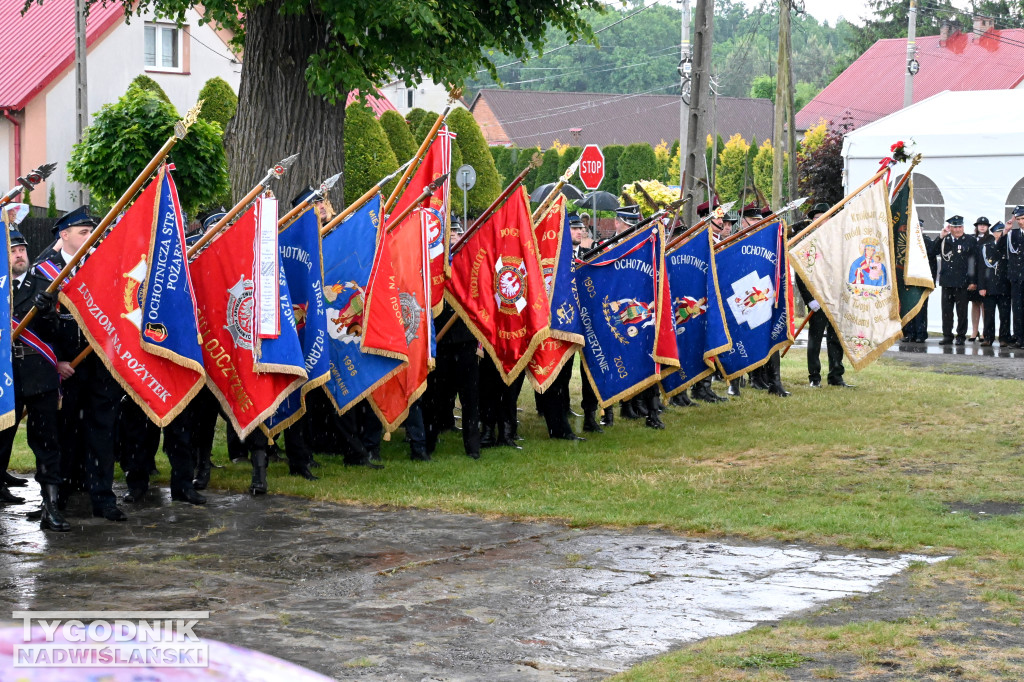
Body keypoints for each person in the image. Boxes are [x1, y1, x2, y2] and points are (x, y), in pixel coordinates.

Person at [36, 206, 129, 521]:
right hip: (65, 366)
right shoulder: (44, 272)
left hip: (101, 362)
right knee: (65, 432)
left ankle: (103, 498)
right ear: (64, 235)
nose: (90, 237)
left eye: (92, 232)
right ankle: (57, 498)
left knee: (102, 430)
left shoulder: (102, 266)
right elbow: (37, 324)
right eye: (83, 232)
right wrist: (58, 358)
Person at [0, 228, 69, 531]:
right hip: (5, 377)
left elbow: (57, 336)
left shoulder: (44, 284)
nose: (19, 255)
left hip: (38, 373)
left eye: (22, 249)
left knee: (45, 442)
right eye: (12, 250)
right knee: (1, 441)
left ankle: (50, 506)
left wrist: (48, 314)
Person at [795, 203, 850, 388]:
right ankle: (814, 377)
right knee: (815, 340)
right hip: (817, 299)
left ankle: (836, 375)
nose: (819, 221)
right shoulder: (807, 242)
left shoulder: (839, 242)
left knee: (835, 338)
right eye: (816, 217)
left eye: (823, 217)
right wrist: (809, 299)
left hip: (836, 298)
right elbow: (800, 273)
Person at [931, 215, 977, 345]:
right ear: (950, 228)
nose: (958, 229)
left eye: (960, 227)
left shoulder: (970, 240)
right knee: (946, 311)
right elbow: (932, 251)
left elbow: (973, 262)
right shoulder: (945, 240)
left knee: (961, 311)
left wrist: (973, 281)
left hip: (962, 282)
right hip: (947, 281)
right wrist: (940, 236)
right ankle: (947, 335)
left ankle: (961, 335)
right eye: (955, 227)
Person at [977, 220, 1008, 347]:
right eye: (997, 231)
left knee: (1005, 315)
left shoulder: (1008, 246)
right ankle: (988, 337)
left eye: (1002, 231)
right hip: (989, 286)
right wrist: (982, 286)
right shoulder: (986, 248)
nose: (1000, 234)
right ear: (993, 233)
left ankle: (1004, 338)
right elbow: (981, 268)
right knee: (989, 314)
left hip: (1004, 286)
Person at [997, 205, 1024, 347]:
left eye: (1022, 218)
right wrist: (1006, 230)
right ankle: (1020, 338)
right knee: (1017, 309)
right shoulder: (1012, 234)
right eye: (1018, 219)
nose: (1020, 221)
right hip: (1016, 278)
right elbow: (999, 248)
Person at [967, 217, 992, 341]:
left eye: (984, 225)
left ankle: (984, 331)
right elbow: (970, 259)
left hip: (986, 275)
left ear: (988, 227)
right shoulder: (971, 239)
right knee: (975, 303)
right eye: (980, 224)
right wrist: (971, 279)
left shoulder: (991, 239)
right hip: (974, 275)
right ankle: (974, 330)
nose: (982, 227)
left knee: (984, 304)